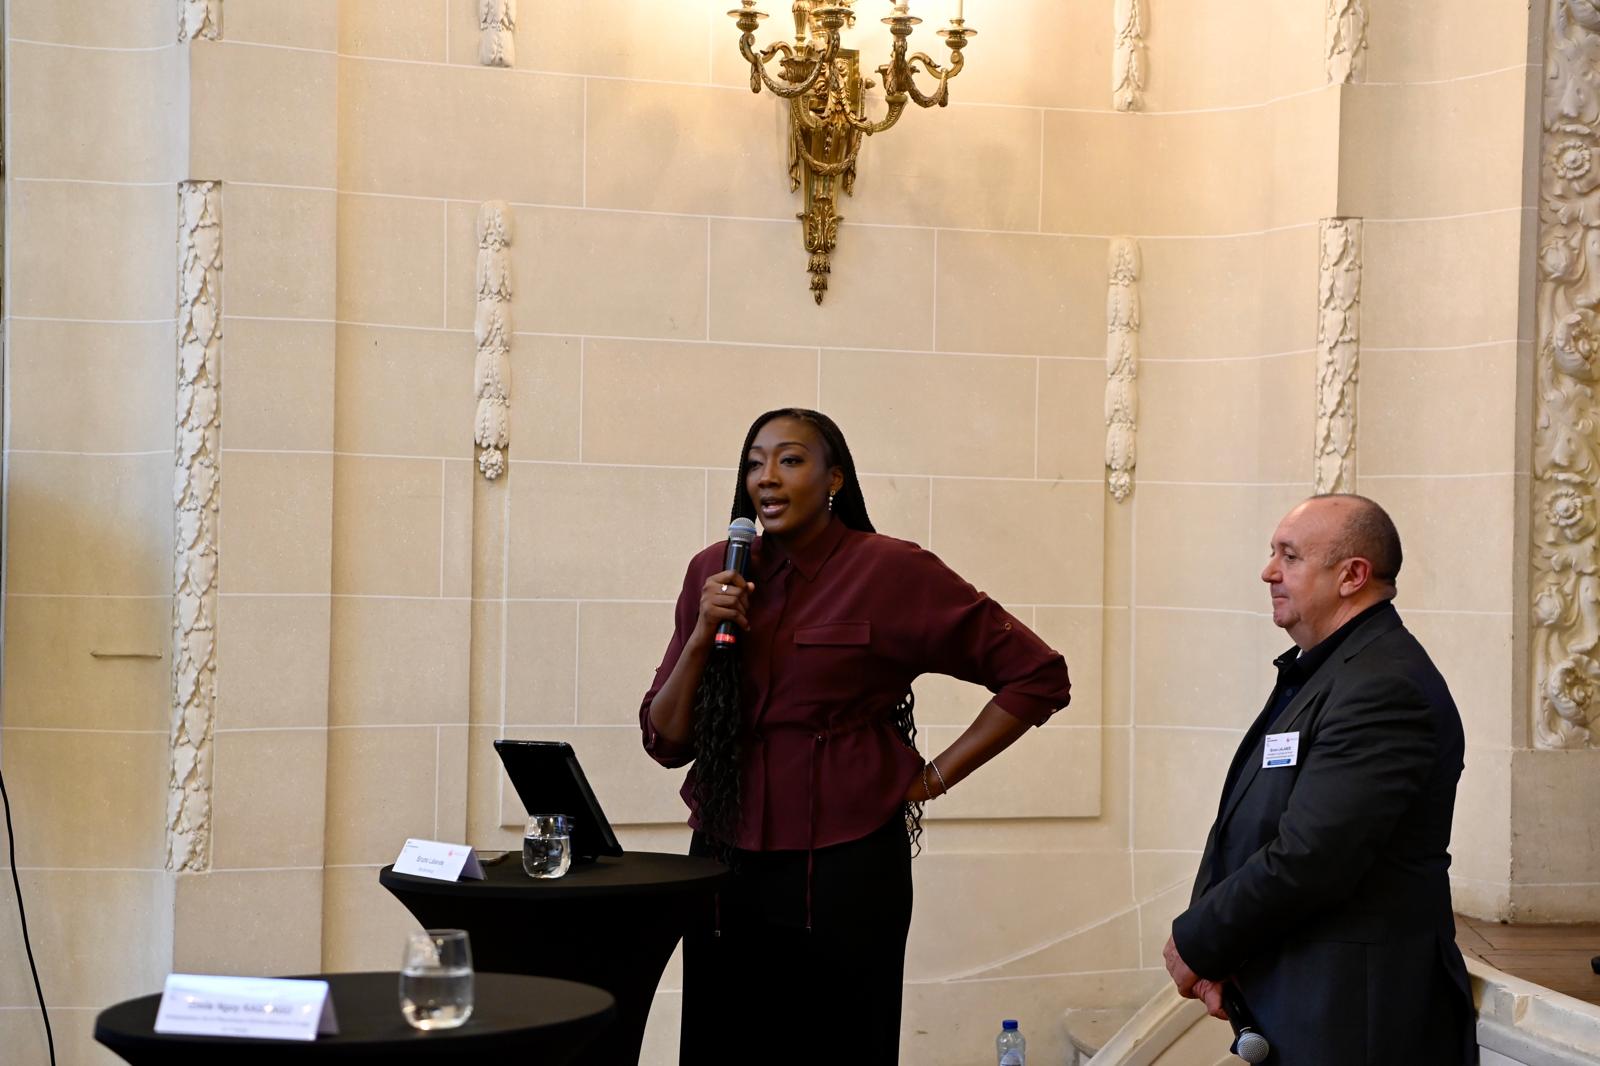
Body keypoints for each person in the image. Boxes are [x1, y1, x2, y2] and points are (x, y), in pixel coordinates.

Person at [639, 408, 1071, 1064]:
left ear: (833, 477)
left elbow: (1037, 676)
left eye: (790, 460)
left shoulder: (891, 571)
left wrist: (932, 777)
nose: (768, 478)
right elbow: (665, 741)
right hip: (725, 864)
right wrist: (703, 633)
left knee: (841, 1047)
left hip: (846, 871)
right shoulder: (715, 572)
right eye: (756, 463)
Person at [1162, 494, 1476, 1065]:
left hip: (1357, 1018)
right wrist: (1223, 947)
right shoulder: (1331, 671)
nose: (1269, 572)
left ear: (1353, 575)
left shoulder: (1383, 686)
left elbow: (1311, 857)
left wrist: (1199, 939)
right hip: (1305, 998)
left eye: (1290, 556)